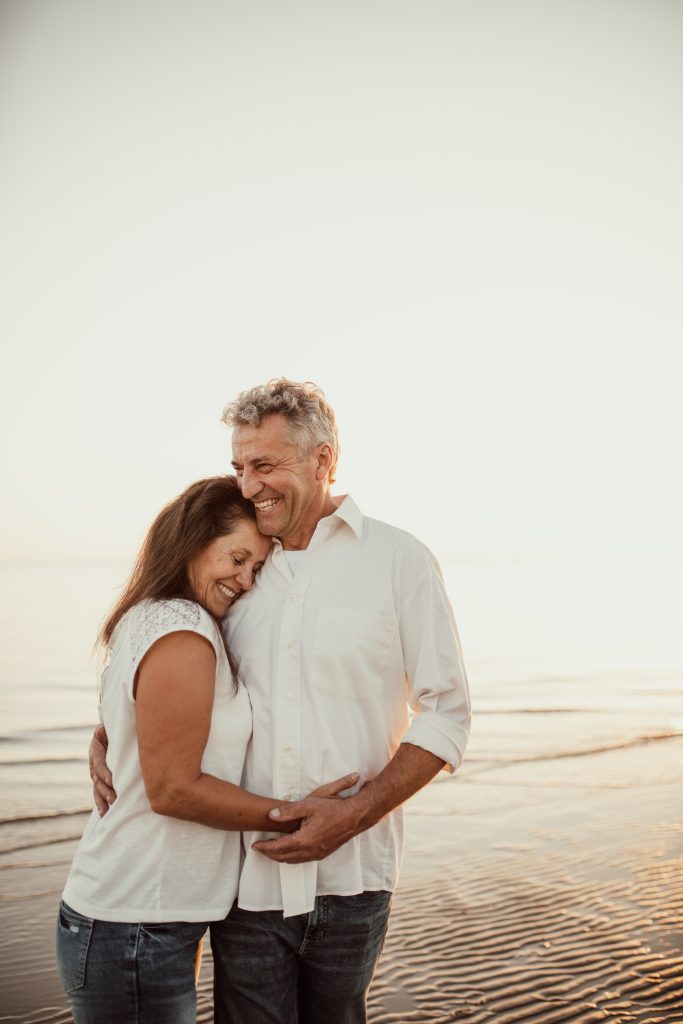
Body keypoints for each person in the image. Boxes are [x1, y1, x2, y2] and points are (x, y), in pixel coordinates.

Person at [92, 379, 471, 1024]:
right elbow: (165, 669)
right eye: (239, 466)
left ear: (323, 461)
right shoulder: (239, 566)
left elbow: (447, 712)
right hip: (244, 880)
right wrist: (109, 733)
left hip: (355, 876)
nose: (247, 484)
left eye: (265, 465)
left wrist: (355, 814)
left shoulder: (398, 560)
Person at [59, 475, 357, 1024]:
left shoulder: (155, 614)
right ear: (196, 540)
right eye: (237, 558)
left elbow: (129, 725)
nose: (245, 579)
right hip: (136, 921)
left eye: (256, 567)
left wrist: (103, 741)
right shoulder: (184, 630)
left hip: (142, 916)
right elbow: (172, 788)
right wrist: (293, 816)